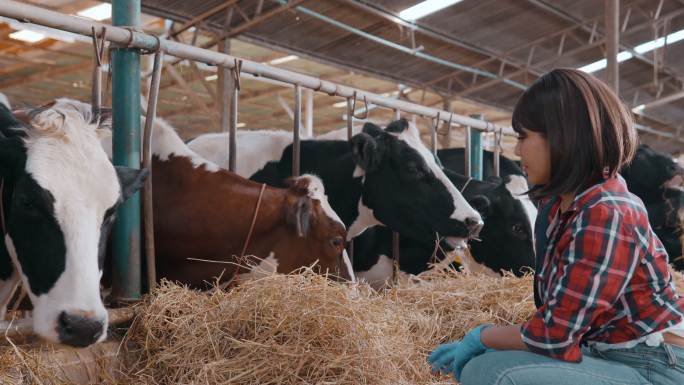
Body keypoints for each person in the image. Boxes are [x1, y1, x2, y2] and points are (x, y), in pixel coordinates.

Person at [428, 68, 684, 385]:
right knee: (491, 361)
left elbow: (555, 335)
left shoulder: (606, 212)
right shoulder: (559, 205)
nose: (518, 150)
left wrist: (482, 336)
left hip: (656, 364)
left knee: (492, 373)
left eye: (524, 137)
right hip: (608, 351)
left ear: (564, 137)